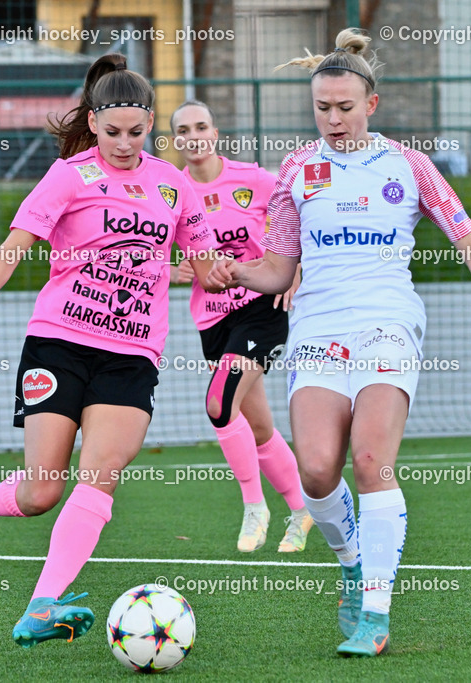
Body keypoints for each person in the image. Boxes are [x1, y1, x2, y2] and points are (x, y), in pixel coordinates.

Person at [206, 28, 471, 658]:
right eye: (322, 108)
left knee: (370, 462)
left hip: (388, 322)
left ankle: (374, 611)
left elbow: (465, 235)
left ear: (371, 104)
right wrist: (238, 269)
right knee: (316, 470)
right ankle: (348, 558)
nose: (333, 119)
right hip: (317, 327)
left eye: (344, 107)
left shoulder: (408, 163)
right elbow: (281, 265)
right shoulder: (296, 169)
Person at [0, 53, 223, 649]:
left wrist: (257, 274)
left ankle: (41, 606)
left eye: (137, 133)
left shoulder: (173, 185)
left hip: (132, 355)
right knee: (42, 491)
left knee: (99, 477)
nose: (124, 143)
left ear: (152, 126)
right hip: (59, 342)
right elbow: (17, 243)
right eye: (112, 131)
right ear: (93, 123)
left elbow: (205, 263)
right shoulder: (69, 175)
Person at [168, 99, 313, 553]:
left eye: (202, 126)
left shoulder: (253, 178)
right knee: (261, 430)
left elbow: (304, 220)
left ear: (215, 133)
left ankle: (255, 507)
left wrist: (298, 270)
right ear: (175, 141)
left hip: (261, 307)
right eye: (184, 130)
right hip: (213, 319)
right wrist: (174, 269)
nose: (194, 136)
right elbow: (147, 244)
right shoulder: (171, 191)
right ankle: (302, 511)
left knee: (218, 401)